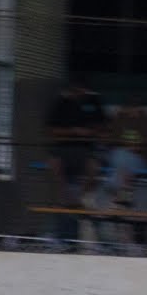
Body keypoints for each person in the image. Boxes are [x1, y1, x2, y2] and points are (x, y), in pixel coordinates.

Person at [45, 75, 107, 239]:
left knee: (93, 166)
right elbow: (52, 130)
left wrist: (89, 132)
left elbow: (102, 127)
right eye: (76, 90)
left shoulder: (93, 102)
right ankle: (64, 198)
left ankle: (80, 198)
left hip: (86, 149)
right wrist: (74, 131)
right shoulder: (61, 103)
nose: (80, 93)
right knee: (53, 162)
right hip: (64, 148)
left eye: (82, 90)